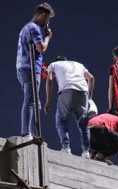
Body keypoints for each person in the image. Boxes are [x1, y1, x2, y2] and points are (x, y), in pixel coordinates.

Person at [16, 2, 55, 138]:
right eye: (48, 18)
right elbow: (41, 48)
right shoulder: (34, 28)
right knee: (30, 100)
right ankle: (26, 132)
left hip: (23, 67)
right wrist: (48, 37)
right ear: (43, 15)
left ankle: (32, 132)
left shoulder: (26, 27)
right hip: (30, 67)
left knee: (35, 101)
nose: (47, 22)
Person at [44, 56, 95, 158]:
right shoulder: (79, 65)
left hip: (66, 91)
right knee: (83, 123)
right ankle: (86, 152)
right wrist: (89, 97)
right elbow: (91, 78)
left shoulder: (54, 65)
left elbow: (49, 80)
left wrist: (48, 100)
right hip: (82, 92)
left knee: (61, 121)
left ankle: (66, 148)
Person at [88, 108, 118, 176]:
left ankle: (97, 156)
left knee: (106, 144)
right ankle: (100, 155)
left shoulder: (104, 116)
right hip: (99, 129)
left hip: (88, 132)